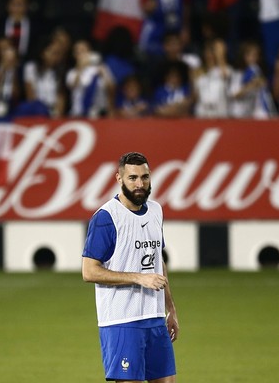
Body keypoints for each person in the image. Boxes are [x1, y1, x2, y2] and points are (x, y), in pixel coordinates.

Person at [82, 152, 179, 383]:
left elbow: (157, 260)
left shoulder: (156, 210)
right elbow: (89, 271)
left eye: (144, 177)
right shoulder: (107, 217)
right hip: (122, 321)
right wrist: (139, 278)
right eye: (133, 178)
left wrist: (170, 308)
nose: (140, 184)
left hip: (154, 318)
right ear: (119, 178)